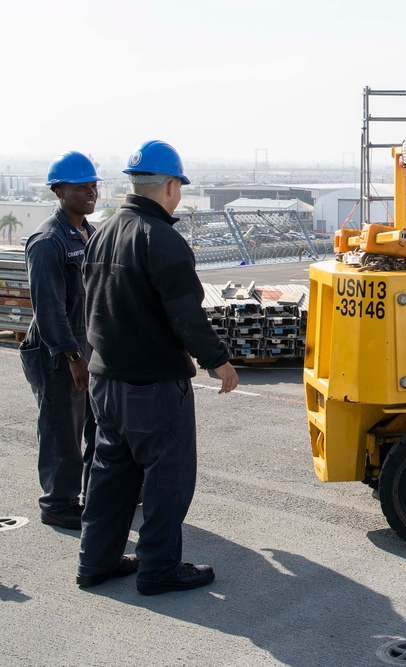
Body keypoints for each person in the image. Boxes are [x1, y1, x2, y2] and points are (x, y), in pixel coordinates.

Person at [77, 140, 239, 595]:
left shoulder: (103, 232)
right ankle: (158, 569)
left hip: (104, 380)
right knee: (167, 480)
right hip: (152, 386)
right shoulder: (162, 239)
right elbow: (185, 312)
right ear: (170, 186)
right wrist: (218, 361)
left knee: (111, 476)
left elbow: (90, 303)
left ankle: (97, 562)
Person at [19, 151, 101, 530]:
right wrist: (72, 356)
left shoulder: (90, 232)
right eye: (80, 186)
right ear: (58, 191)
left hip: (84, 348)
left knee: (93, 424)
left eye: (93, 185)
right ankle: (58, 503)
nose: (90, 191)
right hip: (57, 352)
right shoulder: (48, 241)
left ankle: (94, 491)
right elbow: (48, 307)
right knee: (61, 430)